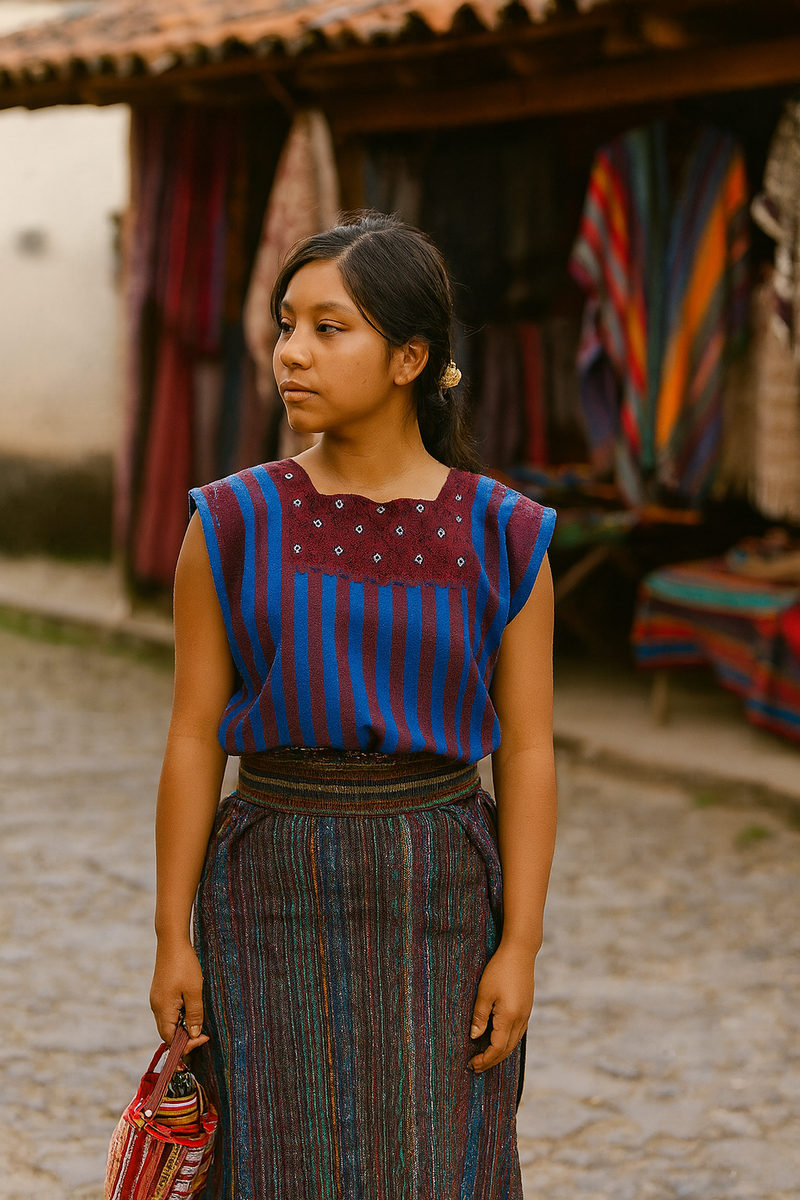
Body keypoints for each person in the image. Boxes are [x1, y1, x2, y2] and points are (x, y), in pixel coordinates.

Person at [149, 213, 558, 1199]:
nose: (291, 352)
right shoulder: (230, 522)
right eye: (286, 324)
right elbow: (194, 737)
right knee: (274, 1157)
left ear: (409, 357)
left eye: (328, 328)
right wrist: (171, 931)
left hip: (441, 889)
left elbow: (531, 752)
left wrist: (519, 944)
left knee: (439, 1161)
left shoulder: (505, 534)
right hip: (269, 884)